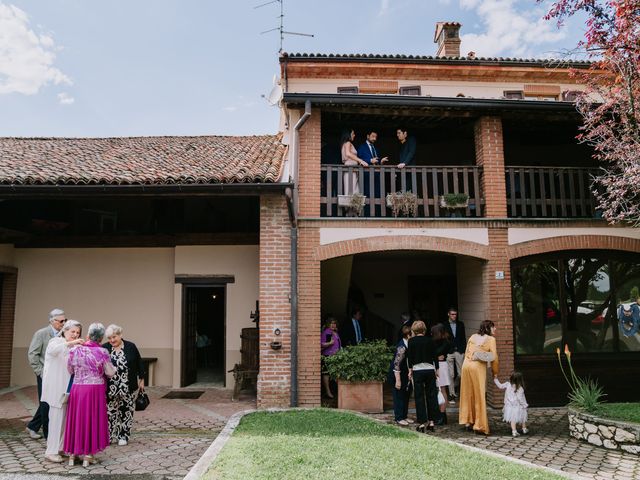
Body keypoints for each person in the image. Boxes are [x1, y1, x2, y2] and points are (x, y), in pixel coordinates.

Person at [64, 323, 115, 467]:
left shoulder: (75, 350)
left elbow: (70, 370)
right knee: (91, 419)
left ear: (88, 335)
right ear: (100, 338)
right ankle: (88, 455)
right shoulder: (102, 351)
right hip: (94, 390)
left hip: (78, 388)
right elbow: (110, 372)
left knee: (77, 419)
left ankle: (73, 456)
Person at [40, 320, 84, 463]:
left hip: (68, 389)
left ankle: (61, 447)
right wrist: (71, 343)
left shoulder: (74, 347)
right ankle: (50, 451)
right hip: (56, 388)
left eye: (78, 332)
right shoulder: (56, 341)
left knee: (65, 420)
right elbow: (53, 351)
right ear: (65, 331)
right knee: (56, 420)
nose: (75, 335)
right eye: (73, 332)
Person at [26, 308, 67, 440]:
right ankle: (48, 435)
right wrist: (40, 372)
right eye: (61, 321)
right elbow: (33, 354)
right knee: (46, 403)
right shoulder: (42, 333)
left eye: (64, 320)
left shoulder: (63, 334)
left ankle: (32, 426)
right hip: (45, 374)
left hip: (58, 374)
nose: (63, 323)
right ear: (52, 321)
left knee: (52, 400)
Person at [103, 324, 145, 446]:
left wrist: (142, 379)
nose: (111, 340)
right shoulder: (105, 348)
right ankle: (109, 436)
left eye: (114, 337)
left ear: (120, 335)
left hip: (127, 386)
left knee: (126, 411)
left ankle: (123, 436)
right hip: (110, 387)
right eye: (109, 338)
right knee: (110, 413)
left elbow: (139, 362)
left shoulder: (130, 346)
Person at [459, 320, 499, 436]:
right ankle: (479, 425)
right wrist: (495, 372)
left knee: (467, 393)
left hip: (466, 365)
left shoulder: (472, 336)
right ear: (488, 328)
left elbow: (467, 352)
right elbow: (495, 358)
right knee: (479, 395)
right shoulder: (491, 340)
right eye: (493, 327)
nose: (495, 329)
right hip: (477, 367)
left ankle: (467, 421)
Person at [407, 320, 440, 433]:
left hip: (417, 370)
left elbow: (410, 357)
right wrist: (437, 370)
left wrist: (410, 371)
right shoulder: (430, 340)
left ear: (414, 330)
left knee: (419, 397)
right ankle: (431, 422)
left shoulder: (411, 341)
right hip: (430, 369)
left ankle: (421, 424)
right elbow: (435, 356)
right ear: (424, 329)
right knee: (431, 396)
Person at [388, 324, 413, 425]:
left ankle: (404, 415)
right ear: (408, 335)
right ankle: (398, 417)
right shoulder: (402, 347)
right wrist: (398, 380)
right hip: (397, 374)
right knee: (399, 396)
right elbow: (396, 364)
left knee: (406, 395)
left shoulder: (408, 344)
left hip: (405, 374)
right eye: (413, 334)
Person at [494, 371, 529, 437]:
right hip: (518, 406)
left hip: (509, 406)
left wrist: (496, 379)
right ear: (520, 380)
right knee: (523, 417)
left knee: (513, 419)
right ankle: (524, 429)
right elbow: (520, 398)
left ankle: (514, 431)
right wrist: (525, 405)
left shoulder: (508, 384)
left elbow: (500, 386)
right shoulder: (520, 388)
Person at [443, 308, 466, 401]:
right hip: (449, 352)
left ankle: (455, 386)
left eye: (455, 314)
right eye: (452, 314)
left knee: (461, 374)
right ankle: (452, 394)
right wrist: (446, 351)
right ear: (448, 314)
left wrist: (463, 350)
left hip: (459, 351)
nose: (454, 316)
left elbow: (463, 338)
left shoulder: (460, 324)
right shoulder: (444, 325)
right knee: (450, 374)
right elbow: (444, 339)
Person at [431, 323, 451, 424]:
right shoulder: (434, 341)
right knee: (436, 389)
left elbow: (436, 352)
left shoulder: (445, 342)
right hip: (436, 364)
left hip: (442, 366)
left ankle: (442, 415)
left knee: (442, 389)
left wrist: (434, 356)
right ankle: (438, 413)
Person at [340, 129, 368, 195]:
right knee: (352, 189)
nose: (354, 135)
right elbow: (348, 153)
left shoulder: (345, 143)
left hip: (352, 169)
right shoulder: (348, 143)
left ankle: (351, 204)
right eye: (353, 134)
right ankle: (351, 204)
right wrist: (361, 160)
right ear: (348, 135)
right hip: (350, 168)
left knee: (352, 189)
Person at [320, 316, 341, 399]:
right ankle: (327, 391)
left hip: (335, 356)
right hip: (328, 356)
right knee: (326, 374)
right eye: (331, 323)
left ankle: (335, 391)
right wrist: (330, 343)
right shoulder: (327, 332)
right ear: (328, 324)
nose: (333, 325)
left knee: (334, 374)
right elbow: (321, 344)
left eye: (334, 323)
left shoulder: (335, 332)